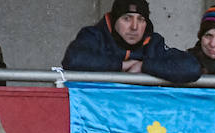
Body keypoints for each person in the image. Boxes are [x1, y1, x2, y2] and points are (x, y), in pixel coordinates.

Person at [61, 0, 201, 81]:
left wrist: (143, 66)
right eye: (127, 18)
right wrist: (122, 65)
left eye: (141, 19)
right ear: (114, 20)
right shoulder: (95, 36)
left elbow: (191, 68)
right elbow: (73, 59)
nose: (134, 27)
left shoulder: (153, 43)